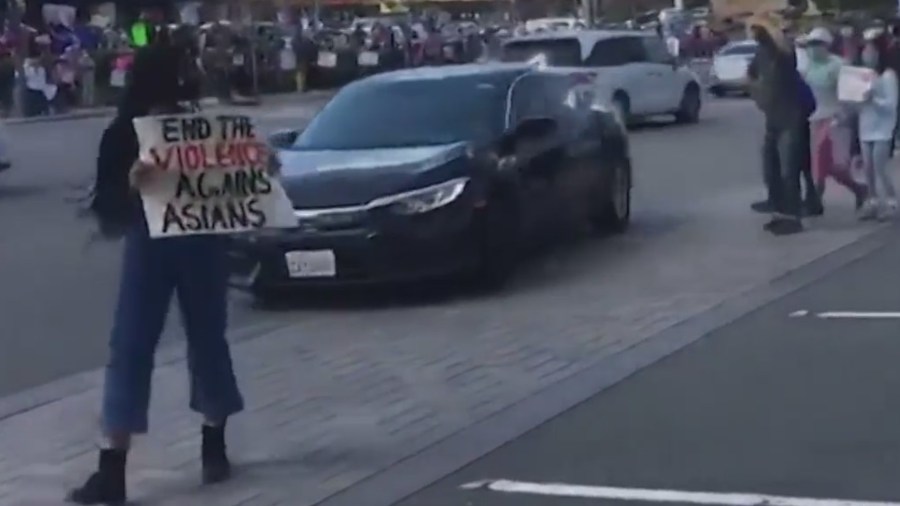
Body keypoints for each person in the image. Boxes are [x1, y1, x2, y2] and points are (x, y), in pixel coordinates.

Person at [68, 27, 244, 505]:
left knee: (205, 339)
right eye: (181, 70)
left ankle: (213, 444)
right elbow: (108, 201)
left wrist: (259, 170)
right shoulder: (125, 133)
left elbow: (235, 181)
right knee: (131, 345)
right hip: (153, 240)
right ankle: (113, 467)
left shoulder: (199, 127)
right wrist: (131, 183)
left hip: (199, 236)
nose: (189, 78)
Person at [746, 12, 808, 235]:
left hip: (791, 116)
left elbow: (784, 48)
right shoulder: (760, 53)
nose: (753, 33)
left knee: (788, 170)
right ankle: (779, 212)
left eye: (757, 29)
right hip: (773, 117)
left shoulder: (783, 51)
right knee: (770, 168)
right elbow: (750, 75)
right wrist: (759, 93)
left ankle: (793, 217)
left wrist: (770, 25)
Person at [801, 27, 867, 213]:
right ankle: (817, 201)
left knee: (837, 165)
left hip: (837, 118)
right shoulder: (810, 67)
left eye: (817, 44)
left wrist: (847, 116)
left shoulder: (839, 65)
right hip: (816, 118)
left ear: (827, 45)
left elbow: (856, 93)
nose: (813, 49)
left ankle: (859, 189)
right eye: (810, 44)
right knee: (819, 164)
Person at [857, 31, 899, 221]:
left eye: (871, 49)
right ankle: (872, 201)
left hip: (882, 129)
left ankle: (891, 201)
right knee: (867, 168)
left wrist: (873, 98)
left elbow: (891, 105)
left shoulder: (888, 76)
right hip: (865, 127)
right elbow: (856, 103)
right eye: (865, 49)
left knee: (879, 166)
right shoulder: (862, 75)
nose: (867, 53)